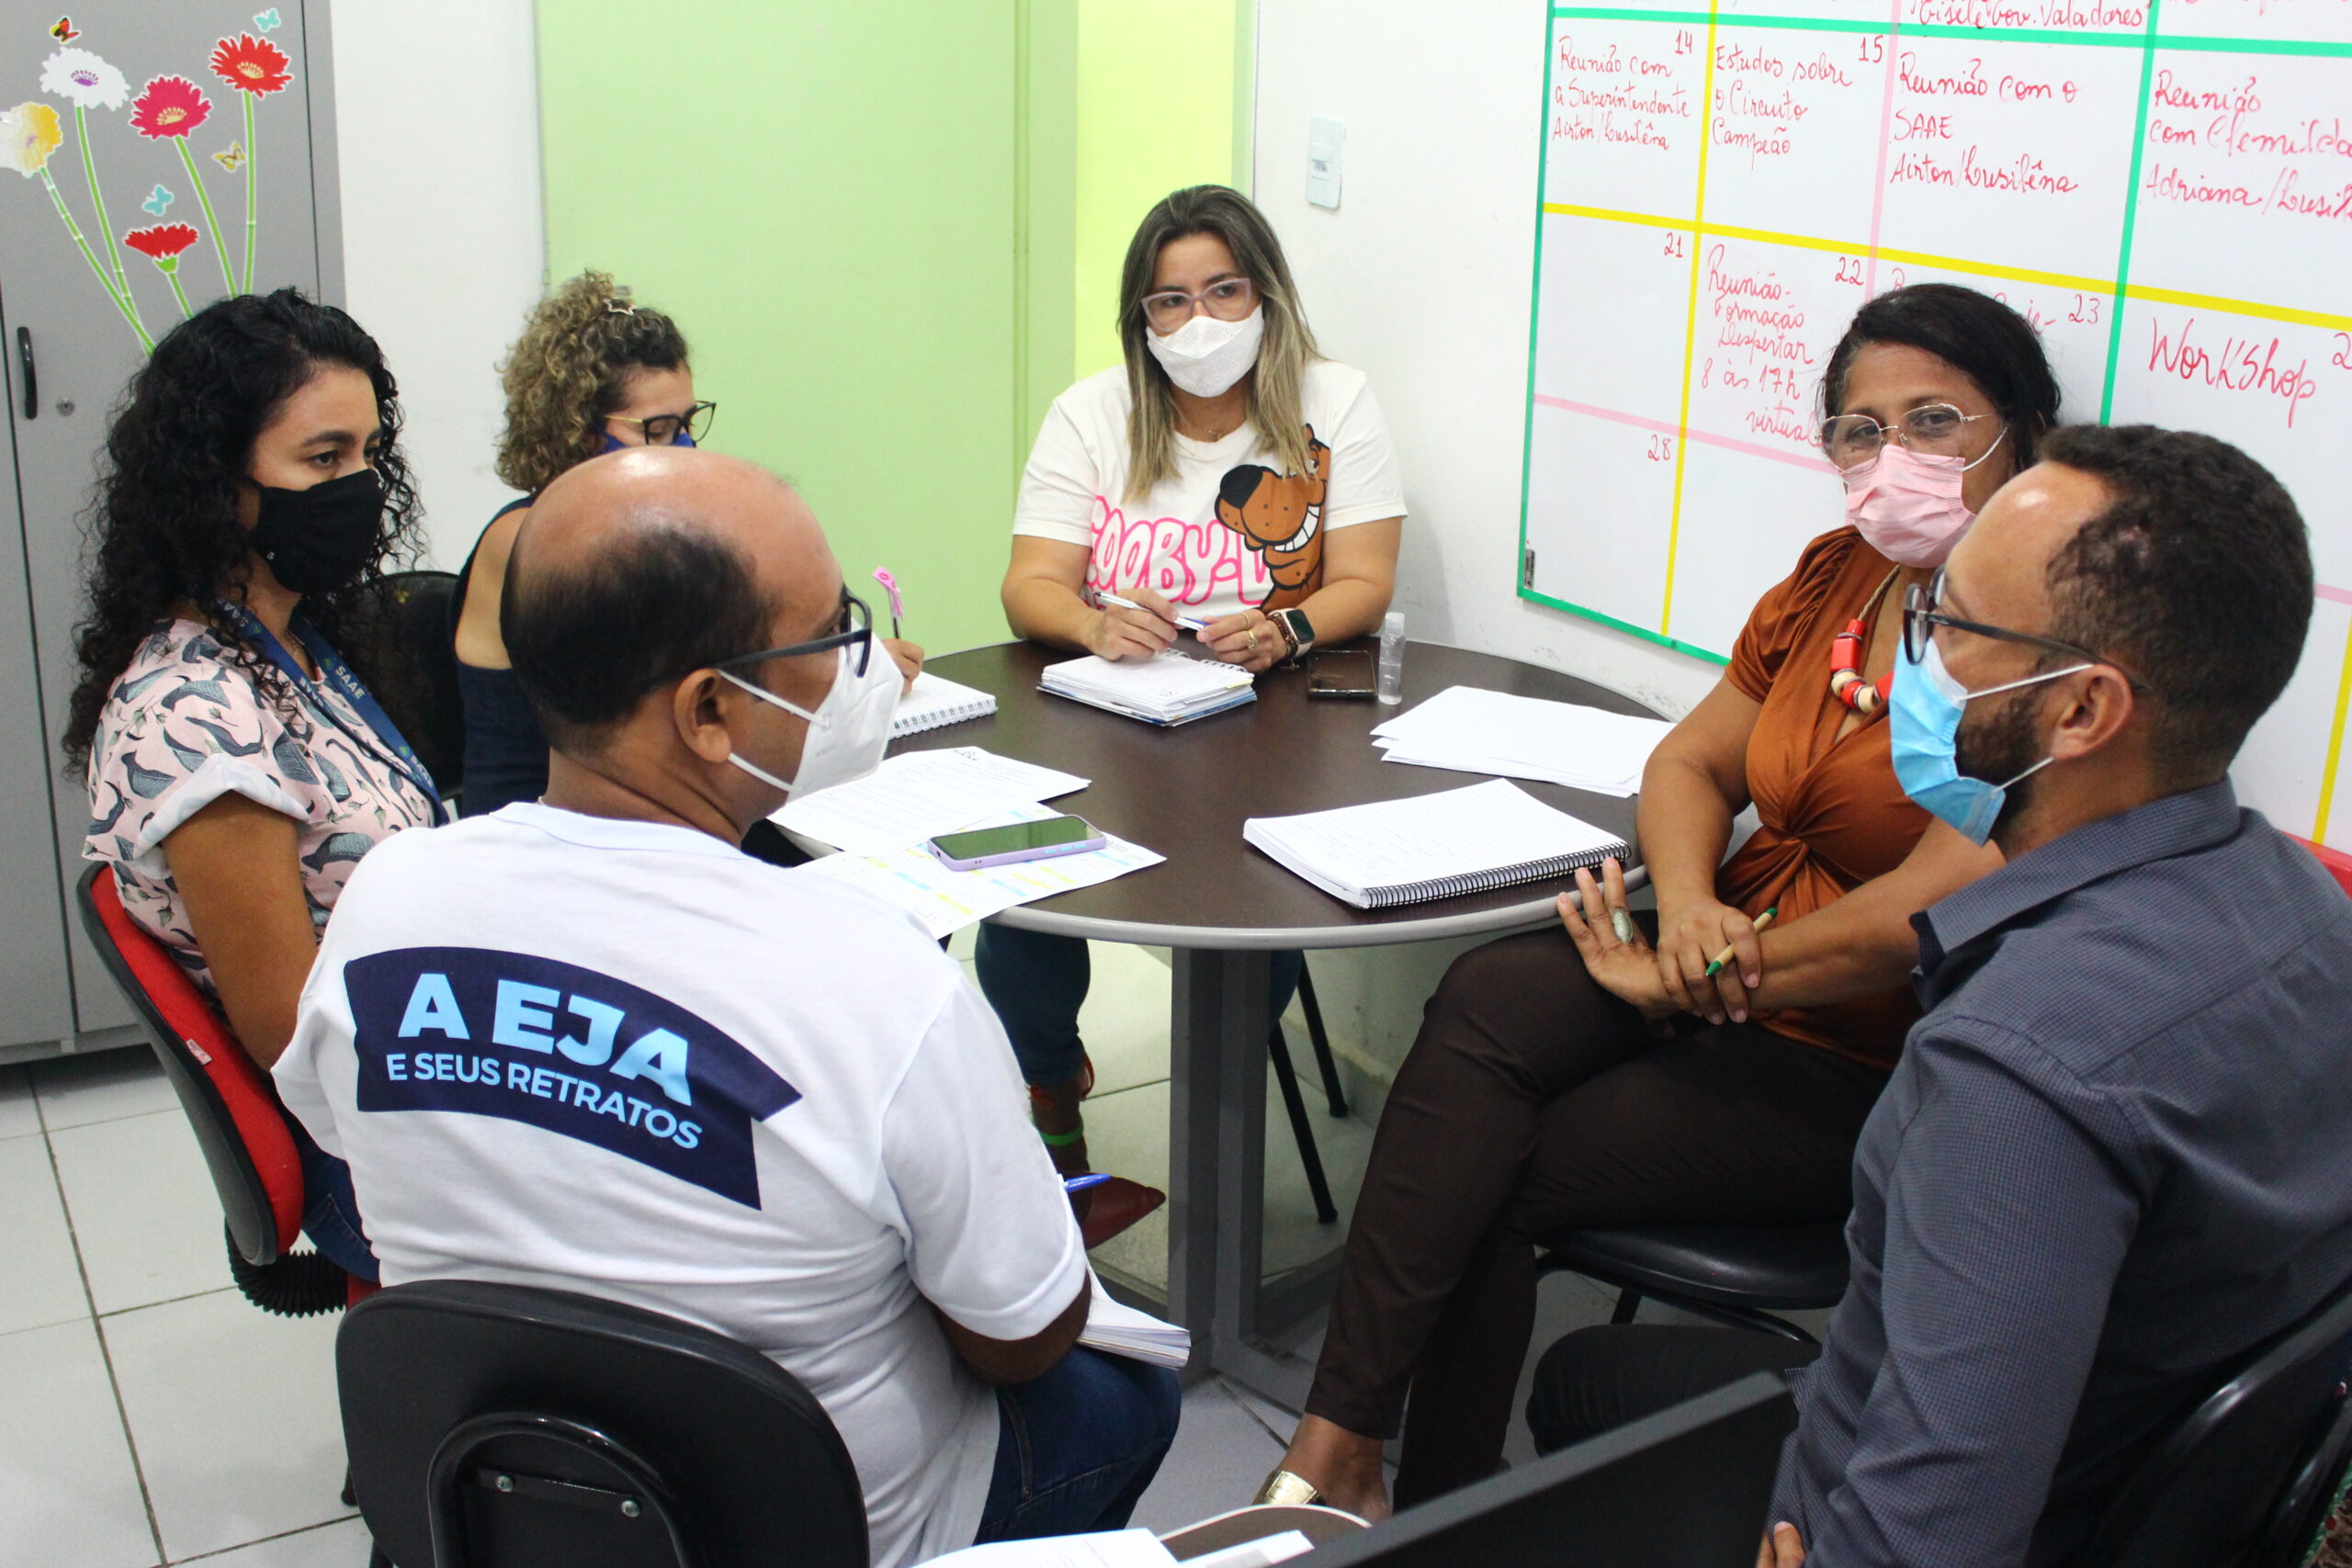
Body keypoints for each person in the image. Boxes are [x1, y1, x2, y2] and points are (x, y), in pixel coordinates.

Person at [274, 446, 1179, 1566]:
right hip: (820, 1536)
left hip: (502, 1494)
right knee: (1123, 1393)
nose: (859, 670)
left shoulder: (387, 900)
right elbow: (1023, 1336)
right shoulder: (876, 973)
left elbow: (342, 1134)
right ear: (708, 710)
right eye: (831, 635)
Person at [1265, 284, 2058, 1515]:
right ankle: (1341, 1443)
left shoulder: (2038, 644)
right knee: (1487, 994)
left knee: (1499, 1166)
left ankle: (1429, 1509)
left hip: (1858, 1051)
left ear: (2024, 434)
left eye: (1934, 420)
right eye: (1858, 429)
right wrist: (1685, 906)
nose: (1890, 457)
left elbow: (1931, 906)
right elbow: (1687, 761)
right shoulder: (1839, 576)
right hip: (1720, 955)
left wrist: (1703, 966)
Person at [1528, 423, 2352, 1568]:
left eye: (1948, 625)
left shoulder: (2018, 1068)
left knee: (1582, 1403)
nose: (1909, 664)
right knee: (1589, 1381)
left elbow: (1929, 1536)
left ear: (2080, 712)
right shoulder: (2306, 913)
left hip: (1950, 1510)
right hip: (2141, 1479)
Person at [991, 184, 1406, 1235]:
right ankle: (1049, 1090)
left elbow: (1363, 578)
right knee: (1018, 897)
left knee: (1255, 920)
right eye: (1168, 302)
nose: (1198, 322)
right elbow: (1030, 584)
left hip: (1272, 725)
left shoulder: (1333, 399)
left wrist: (1288, 629)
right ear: (1142, 319)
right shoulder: (1093, 412)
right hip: (1111, 717)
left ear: (1265, 293)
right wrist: (1093, 626)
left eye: (1223, 291)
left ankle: (1213, 1143)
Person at [68, 290, 445, 1284]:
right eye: (322, 461)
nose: (358, 487)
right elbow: (288, 1030)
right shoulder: (196, 718)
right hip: (369, 1140)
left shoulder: (294, 642)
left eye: (369, 455)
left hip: (417, 1054)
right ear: (214, 484)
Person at [450, 270, 923, 819]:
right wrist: (847, 680)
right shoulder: (538, 542)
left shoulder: (630, 528)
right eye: (655, 429)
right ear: (576, 429)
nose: (683, 446)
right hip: (545, 834)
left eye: (689, 422)